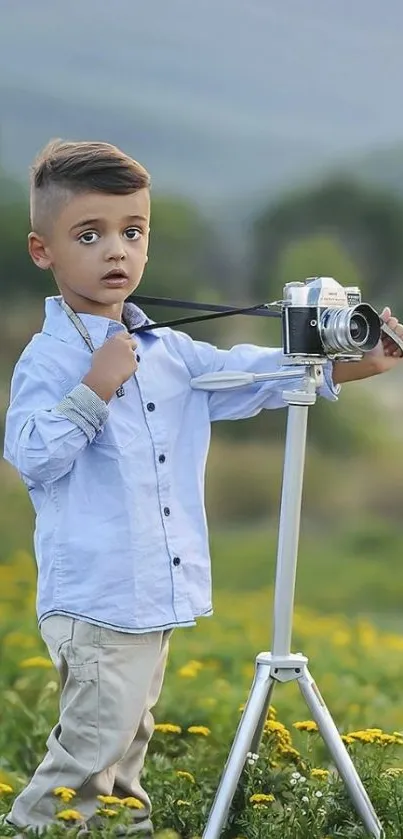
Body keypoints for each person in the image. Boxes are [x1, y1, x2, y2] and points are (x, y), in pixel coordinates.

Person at [2, 139, 403, 838]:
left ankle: (120, 828)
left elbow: (247, 375)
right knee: (86, 756)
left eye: (132, 232)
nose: (115, 251)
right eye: (89, 235)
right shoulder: (53, 357)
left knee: (125, 747)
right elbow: (32, 455)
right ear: (44, 251)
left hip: (149, 592)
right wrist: (95, 386)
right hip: (97, 596)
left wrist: (353, 366)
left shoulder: (168, 348)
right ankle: (36, 827)